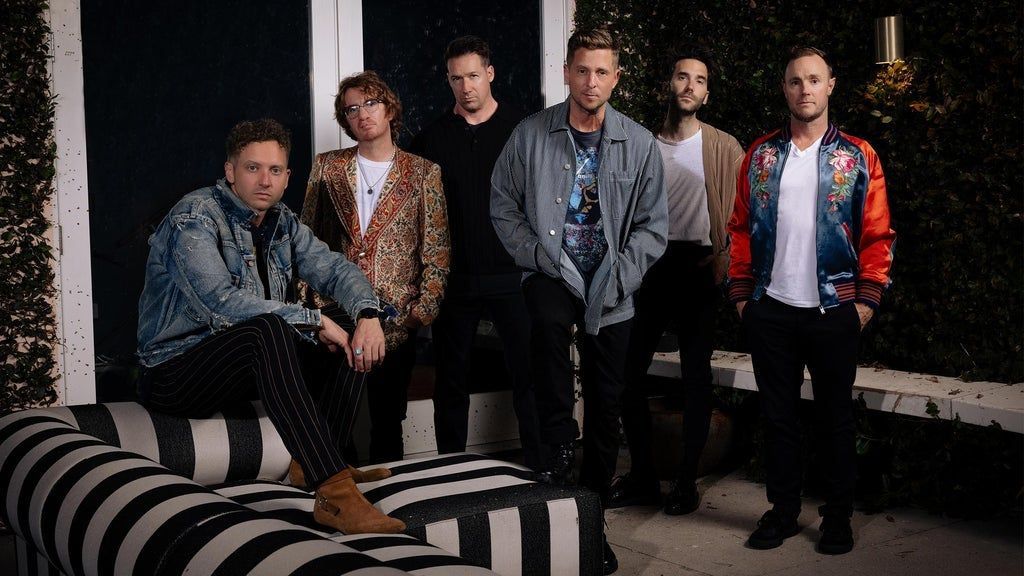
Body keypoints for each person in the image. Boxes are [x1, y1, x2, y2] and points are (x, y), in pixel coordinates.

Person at [137, 118, 404, 535]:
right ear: (230, 171)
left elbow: (334, 269)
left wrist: (367, 316)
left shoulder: (282, 222)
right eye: (253, 168)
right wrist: (311, 320)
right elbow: (221, 304)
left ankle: (317, 462)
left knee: (346, 324)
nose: (265, 180)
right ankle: (336, 494)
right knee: (272, 328)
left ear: (287, 177)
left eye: (275, 170)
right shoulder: (194, 217)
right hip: (173, 371)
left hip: (235, 365)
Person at [491, 26, 668, 574]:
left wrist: (621, 277)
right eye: (582, 70)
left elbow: (653, 226)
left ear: (616, 78)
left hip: (611, 283)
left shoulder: (639, 143)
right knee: (547, 329)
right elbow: (503, 204)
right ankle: (557, 448)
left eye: (602, 72)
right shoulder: (530, 134)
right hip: (552, 271)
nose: (591, 81)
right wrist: (536, 257)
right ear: (566, 72)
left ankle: (592, 520)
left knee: (607, 398)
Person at [727, 46, 895, 554]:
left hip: (833, 310)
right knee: (778, 418)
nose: (805, 89)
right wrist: (743, 298)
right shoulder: (760, 155)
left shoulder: (858, 156)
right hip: (771, 309)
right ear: (785, 88)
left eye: (814, 80)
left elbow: (878, 234)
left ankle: (837, 518)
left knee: (834, 419)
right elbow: (739, 229)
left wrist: (865, 303)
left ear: (830, 86)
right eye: (796, 81)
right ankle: (781, 512)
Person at [612, 45, 745, 515]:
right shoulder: (642, 144)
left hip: (699, 268)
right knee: (628, 376)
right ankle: (644, 477)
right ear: (669, 84)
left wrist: (727, 259)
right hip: (650, 267)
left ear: (706, 95)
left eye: (700, 80)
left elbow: (747, 211)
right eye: (683, 76)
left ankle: (686, 481)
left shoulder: (724, 147)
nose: (690, 85)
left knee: (695, 378)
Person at [300, 71, 450, 465]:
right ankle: (340, 487)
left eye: (370, 103)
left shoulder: (423, 172)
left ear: (389, 109)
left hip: (396, 319)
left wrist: (421, 313)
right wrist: (310, 306)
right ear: (346, 120)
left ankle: (392, 493)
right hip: (337, 313)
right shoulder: (328, 167)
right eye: (352, 109)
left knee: (388, 420)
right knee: (335, 417)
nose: (362, 114)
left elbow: (436, 250)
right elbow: (305, 240)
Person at [408, 35, 543, 469]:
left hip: (513, 274)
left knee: (529, 375)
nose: (465, 87)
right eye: (456, 79)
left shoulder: (524, 131)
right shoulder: (430, 140)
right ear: (448, 81)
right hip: (456, 279)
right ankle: (450, 470)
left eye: (473, 76)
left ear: (490, 73)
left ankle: (542, 465)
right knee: (451, 380)